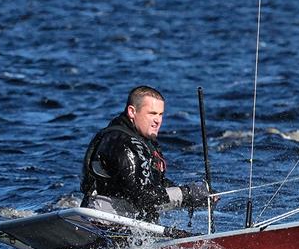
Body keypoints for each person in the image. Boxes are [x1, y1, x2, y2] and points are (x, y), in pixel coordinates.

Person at [80, 86, 211, 223]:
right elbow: (142, 196)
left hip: (133, 224)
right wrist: (187, 194)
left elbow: (156, 186)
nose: (158, 120)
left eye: (160, 114)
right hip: (102, 223)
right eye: (152, 113)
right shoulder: (120, 143)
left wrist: (199, 197)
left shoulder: (146, 143)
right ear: (132, 112)